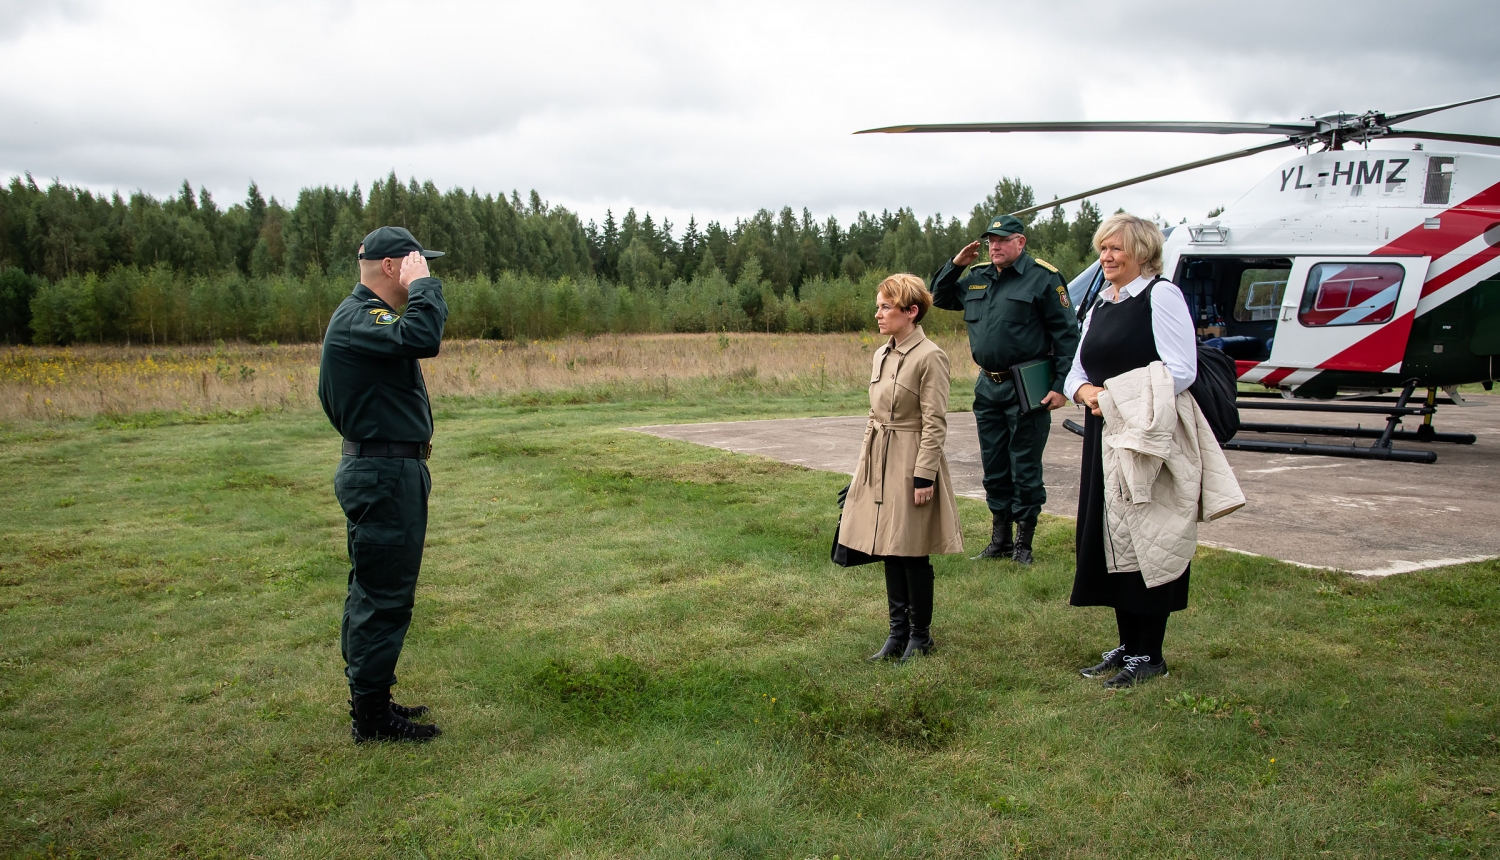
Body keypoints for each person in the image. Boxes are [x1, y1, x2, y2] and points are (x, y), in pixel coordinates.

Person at [1063, 213, 1241, 688]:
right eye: (1103, 248)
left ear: (1142, 252)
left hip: (1149, 437)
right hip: (1105, 436)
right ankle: (1128, 645)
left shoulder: (1162, 295)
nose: (1106, 257)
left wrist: (1113, 396)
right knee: (1114, 538)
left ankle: (1151, 654)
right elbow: (1074, 372)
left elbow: (1182, 370)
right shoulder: (1101, 302)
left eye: (1116, 248)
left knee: (1151, 535)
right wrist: (1087, 395)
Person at [319, 226, 449, 742]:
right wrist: (426, 289)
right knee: (384, 595)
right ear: (392, 266)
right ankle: (371, 719)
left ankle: (373, 697)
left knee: (374, 588)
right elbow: (423, 338)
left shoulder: (365, 321)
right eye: (418, 261)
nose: (426, 270)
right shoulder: (362, 319)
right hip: (383, 473)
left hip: (384, 470)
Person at [931, 214, 1079, 565]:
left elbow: (1067, 335)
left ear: (1020, 242)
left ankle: (1024, 546)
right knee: (994, 465)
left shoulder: (1043, 278)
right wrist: (956, 264)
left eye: (1001, 239)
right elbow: (938, 295)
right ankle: (1000, 541)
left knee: (1024, 466)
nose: (994, 246)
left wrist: (1060, 387)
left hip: (1028, 385)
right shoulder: (979, 277)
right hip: (988, 386)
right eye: (989, 241)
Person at [837, 274, 964, 661]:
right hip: (880, 459)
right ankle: (897, 634)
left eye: (885, 307)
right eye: (878, 305)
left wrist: (923, 474)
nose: (877, 313)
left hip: (911, 460)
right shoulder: (881, 354)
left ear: (911, 312)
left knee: (911, 550)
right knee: (890, 549)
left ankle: (920, 637)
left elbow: (934, 422)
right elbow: (873, 418)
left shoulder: (931, 357)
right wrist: (862, 471)